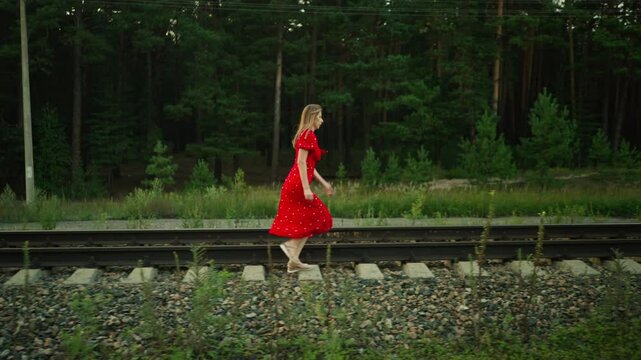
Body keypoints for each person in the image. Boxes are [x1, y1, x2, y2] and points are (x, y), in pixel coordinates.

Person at [269, 104, 335, 273]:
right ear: (313, 117)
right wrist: (306, 189)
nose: (322, 120)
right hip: (298, 184)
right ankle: (291, 248)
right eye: (319, 116)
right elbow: (300, 162)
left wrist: (324, 183)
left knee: (309, 219)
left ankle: (293, 262)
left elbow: (310, 165)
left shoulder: (308, 135)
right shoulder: (308, 135)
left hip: (297, 182)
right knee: (319, 215)